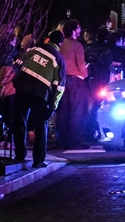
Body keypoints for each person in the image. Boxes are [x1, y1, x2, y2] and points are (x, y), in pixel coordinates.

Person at [12, 29, 67, 169]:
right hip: (40, 94)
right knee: (41, 125)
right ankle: (38, 160)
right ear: (60, 44)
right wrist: (52, 106)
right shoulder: (59, 60)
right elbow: (59, 87)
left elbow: (17, 62)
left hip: (22, 87)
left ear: (48, 39)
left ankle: (19, 156)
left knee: (19, 121)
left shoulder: (34, 49)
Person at [55, 18, 88, 150]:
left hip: (62, 79)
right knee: (76, 111)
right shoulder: (77, 45)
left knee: (63, 111)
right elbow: (80, 65)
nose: (80, 30)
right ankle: (74, 141)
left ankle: (61, 140)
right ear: (74, 31)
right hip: (76, 79)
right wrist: (85, 73)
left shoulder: (61, 44)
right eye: (78, 28)